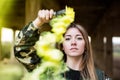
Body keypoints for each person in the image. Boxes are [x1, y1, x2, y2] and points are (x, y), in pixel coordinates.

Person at [14, 9, 110, 80]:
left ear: (86, 46)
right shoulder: (48, 72)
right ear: (62, 47)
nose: (73, 42)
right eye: (68, 39)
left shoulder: (99, 77)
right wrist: (39, 21)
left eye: (79, 38)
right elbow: (21, 49)